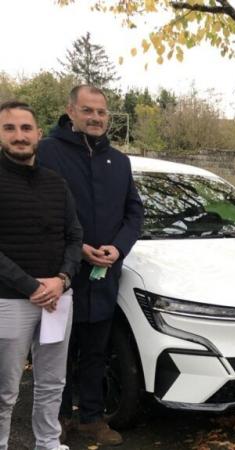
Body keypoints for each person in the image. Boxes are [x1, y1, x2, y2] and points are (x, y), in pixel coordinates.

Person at [38, 85, 144, 445]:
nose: (96, 118)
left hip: (104, 277)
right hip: (61, 275)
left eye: (101, 112)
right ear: (71, 111)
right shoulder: (48, 153)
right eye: (88, 110)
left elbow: (134, 212)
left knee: (96, 352)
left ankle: (93, 420)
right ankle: (59, 419)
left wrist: (118, 248)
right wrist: (78, 248)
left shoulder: (119, 160)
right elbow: (39, 213)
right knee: (58, 354)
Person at [0, 101, 83, 450]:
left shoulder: (55, 183)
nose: (19, 136)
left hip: (57, 300)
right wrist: (32, 286)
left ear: (38, 133)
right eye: (9, 128)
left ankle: (48, 442)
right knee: (5, 388)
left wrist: (62, 279)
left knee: (52, 382)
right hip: (10, 302)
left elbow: (75, 236)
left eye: (26, 128)